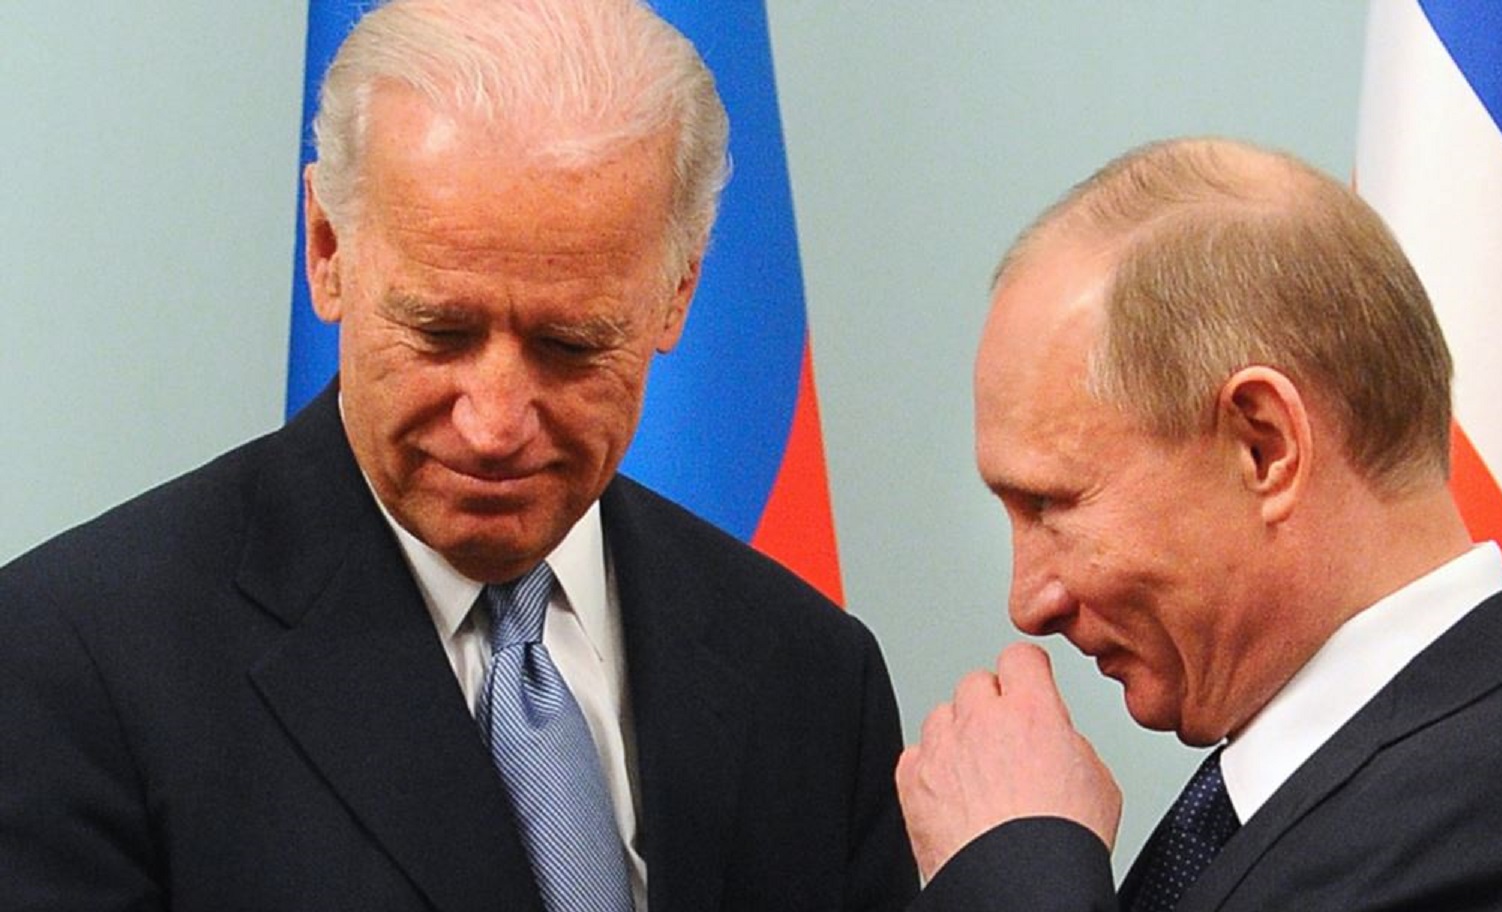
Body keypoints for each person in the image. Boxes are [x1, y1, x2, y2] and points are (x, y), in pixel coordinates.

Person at [0, 2, 917, 910]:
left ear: (676, 293)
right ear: (327, 249)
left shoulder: (813, 678)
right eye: (440, 332)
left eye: (569, 345)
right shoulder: (76, 667)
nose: (493, 425)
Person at [897, 137, 1502, 910]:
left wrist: (1015, 867)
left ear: (1263, 446)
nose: (1028, 602)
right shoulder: (1362, 785)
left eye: (1053, 504)